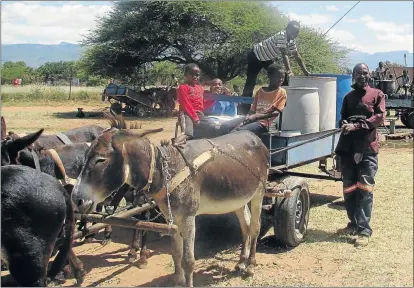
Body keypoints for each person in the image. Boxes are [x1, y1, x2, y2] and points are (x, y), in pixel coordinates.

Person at [335, 63, 386, 248]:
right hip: (348, 149)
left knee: (364, 189)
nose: (362, 76)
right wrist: (344, 122)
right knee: (349, 189)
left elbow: (379, 117)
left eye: (365, 73)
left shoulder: (377, 94)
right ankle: (353, 224)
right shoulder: (348, 97)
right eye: (358, 73)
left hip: (367, 149)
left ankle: (364, 231)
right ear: (353, 75)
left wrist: (357, 126)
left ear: (369, 75)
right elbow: (343, 116)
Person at [240, 21, 309, 114]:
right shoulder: (282, 35)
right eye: (293, 31)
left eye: (297, 32)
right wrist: (289, 71)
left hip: (266, 59)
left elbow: (297, 56)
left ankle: (278, 104)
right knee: (250, 82)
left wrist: (306, 72)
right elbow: (284, 55)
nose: (295, 34)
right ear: (287, 29)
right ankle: (243, 111)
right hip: (255, 55)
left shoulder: (292, 40)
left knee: (280, 77)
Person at [219, 64, 287, 138]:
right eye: (278, 77)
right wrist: (247, 118)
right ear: (270, 76)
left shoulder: (281, 92)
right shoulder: (260, 91)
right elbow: (252, 110)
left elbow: (276, 112)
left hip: (264, 124)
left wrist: (256, 116)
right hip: (252, 119)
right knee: (225, 126)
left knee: (237, 132)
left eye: (282, 77)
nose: (281, 80)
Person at [173, 63, 217, 145]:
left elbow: (203, 105)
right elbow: (186, 104)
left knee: (212, 126)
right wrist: (195, 118)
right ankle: (175, 144)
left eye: (197, 75)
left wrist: (214, 98)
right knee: (188, 133)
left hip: (200, 114)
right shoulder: (183, 87)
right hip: (187, 114)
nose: (195, 76)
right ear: (185, 75)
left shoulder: (199, 88)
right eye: (192, 74)